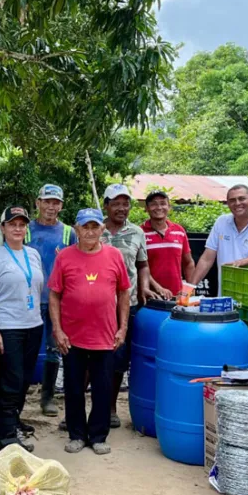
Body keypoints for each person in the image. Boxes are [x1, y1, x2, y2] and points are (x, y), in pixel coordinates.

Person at [49, 208, 130, 456]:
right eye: (85, 227)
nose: (90, 232)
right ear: (76, 229)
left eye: (95, 227)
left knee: (102, 389)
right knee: (73, 388)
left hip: (105, 336)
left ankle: (98, 436)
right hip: (72, 337)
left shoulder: (114, 255)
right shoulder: (64, 257)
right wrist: (58, 330)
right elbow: (54, 295)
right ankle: (76, 434)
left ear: (102, 229)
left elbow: (123, 292)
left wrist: (123, 328)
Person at [0, 206, 46, 453]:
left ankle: (12, 420)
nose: (17, 228)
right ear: (3, 228)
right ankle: (6, 437)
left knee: (25, 379)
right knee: (10, 380)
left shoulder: (33, 254)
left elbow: (37, 288)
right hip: (7, 328)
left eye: (22, 224)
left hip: (33, 325)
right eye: (12, 224)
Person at [100, 183, 157, 429]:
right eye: (116, 204)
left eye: (126, 204)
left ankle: (111, 407)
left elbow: (142, 265)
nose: (122, 208)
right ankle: (78, 410)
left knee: (119, 358)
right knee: (88, 358)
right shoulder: (94, 229)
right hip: (95, 307)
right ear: (106, 206)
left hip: (127, 304)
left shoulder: (136, 232)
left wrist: (144, 287)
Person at [27, 184, 77, 417]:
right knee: (26, 349)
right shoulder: (25, 229)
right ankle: (19, 397)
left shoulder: (68, 233)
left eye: (55, 202)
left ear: (61, 205)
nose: (50, 206)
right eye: (46, 201)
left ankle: (47, 398)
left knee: (54, 348)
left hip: (58, 300)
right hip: (30, 299)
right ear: (38, 203)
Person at [141, 189, 196, 297]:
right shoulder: (140, 232)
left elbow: (188, 263)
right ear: (146, 208)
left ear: (169, 207)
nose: (159, 207)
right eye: (154, 204)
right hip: (150, 297)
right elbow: (140, 267)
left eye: (163, 203)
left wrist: (190, 288)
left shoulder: (179, 231)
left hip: (177, 296)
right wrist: (158, 288)